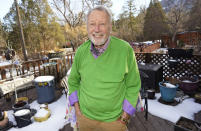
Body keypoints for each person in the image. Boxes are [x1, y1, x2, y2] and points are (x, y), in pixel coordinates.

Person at [68, 6, 141, 131]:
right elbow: (73, 81)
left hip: (115, 121)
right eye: (92, 24)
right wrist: (77, 109)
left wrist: (125, 117)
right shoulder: (80, 52)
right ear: (87, 27)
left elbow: (133, 86)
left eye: (102, 24)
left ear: (110, 26)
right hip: (85, 119)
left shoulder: (125, 50)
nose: (96, 29)